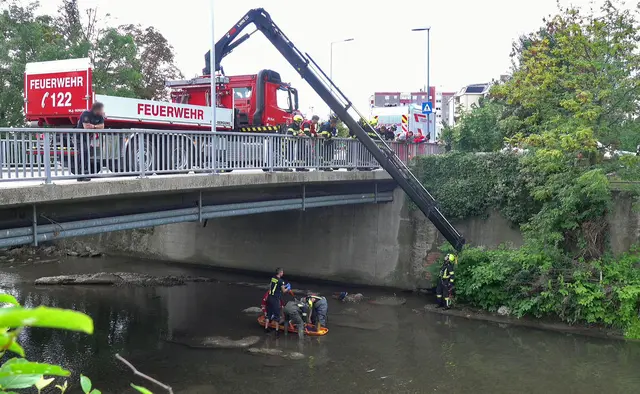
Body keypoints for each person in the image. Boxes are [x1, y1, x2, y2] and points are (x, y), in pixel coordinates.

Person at [71, 102, 105, 182]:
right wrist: (96, 127)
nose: (102, 111)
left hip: (87, 138)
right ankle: (82, 173)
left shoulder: (100, 116)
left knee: (86, 153)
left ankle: (82, 175)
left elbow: (102, 127)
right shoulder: (86, 114)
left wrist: (93, 126)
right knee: (83, 152)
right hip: (79, 137)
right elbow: (86, 127)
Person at [265, 268, 287, 335]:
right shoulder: (281, 281)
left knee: (269, 313)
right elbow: (284, 291)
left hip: (269, 297)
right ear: (280, 273)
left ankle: (266, 328)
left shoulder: (273, 278)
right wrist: (288, 288)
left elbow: (273, 285)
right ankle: (277, 330)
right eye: (282, 272)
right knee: (277, 314)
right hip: (275, 299)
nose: (283, 273)